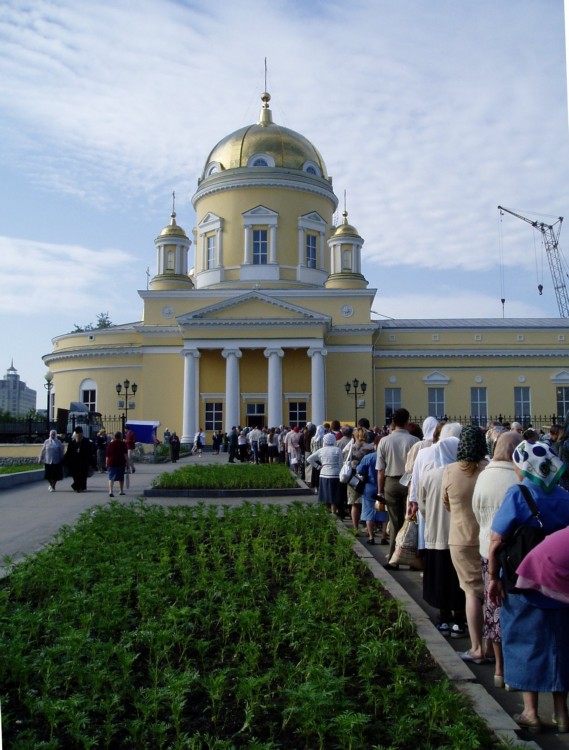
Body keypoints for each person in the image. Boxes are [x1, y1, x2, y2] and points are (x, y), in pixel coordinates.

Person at [488, 440, 569, 732]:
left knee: (524, 641)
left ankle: (531, 712)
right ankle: (562, 713)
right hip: (561, 585)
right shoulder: (565, 496)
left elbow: (497, 539)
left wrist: (493, 578)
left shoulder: (518, 493)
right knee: (560, 644)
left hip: (524, 581)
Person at [472, 430, 522, 687]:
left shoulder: (484, 476)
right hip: (516, 554)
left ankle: (499, 670)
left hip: (487, 550)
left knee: (492, 609)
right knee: (515, 612)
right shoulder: (518, 477)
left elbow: (477, 512)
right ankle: (514, 670)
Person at [442, 424, 488, 654]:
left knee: (470, 592)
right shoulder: (488, 469)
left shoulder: (450, 470)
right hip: (486, 537)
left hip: (460, 536)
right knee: (490, 592)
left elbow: (446, 503)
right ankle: (491, 645)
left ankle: (476, 646)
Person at [417, 430, 466, 637]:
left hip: (435, 534)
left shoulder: (430, 475)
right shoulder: (464, 474)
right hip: (459, 536)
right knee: (458, 580)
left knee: (439, 578)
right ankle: (459, 620)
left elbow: (423, 506)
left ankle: (443, 618)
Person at [376, 408, 419, 569]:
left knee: (394, 522)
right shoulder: (414, 441)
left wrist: (380, 490)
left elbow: (380, 469)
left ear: (393, 422)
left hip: (391, 482)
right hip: (408, 483)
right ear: (407, 421)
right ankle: (412, 558)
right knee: (411, 521)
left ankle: (393, 558)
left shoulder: (385, 441)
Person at [307, 432, 343, 514]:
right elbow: (341, 464)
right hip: (335, 475)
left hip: (324, 475)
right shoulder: (337, 450)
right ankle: (334, 513)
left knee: (325, 496)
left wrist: (318, 467)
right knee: (334, 496)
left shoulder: (321, 450)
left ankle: (327, 513)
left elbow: (309, 459)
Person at [357, 448, 384, 544]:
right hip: (384, 487)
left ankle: (371, 537)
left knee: (369, 513)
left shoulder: (368, 457)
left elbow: (359, 470)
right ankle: (383, 537)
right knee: (384, 512)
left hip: (369, 486)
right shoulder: (387, 456)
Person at [62, 426, 95, 493]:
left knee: (83, 476)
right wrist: (64, 460)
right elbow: (68, 453)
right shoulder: (72, 443)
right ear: (76, 434)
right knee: (76, 476)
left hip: (84, 462)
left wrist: (91, 462)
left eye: (80, 434)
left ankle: (79, 487)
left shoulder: (86, 441)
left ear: (82, 433)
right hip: (74, 463)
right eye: (77, 434)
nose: (79, 435)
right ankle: (77, 487)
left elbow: (90, 452)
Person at [106, 431, 128, 497]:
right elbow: (125, 455)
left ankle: (110, 491)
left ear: (114, 437)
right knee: (121, 478)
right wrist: (128, 463)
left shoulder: (110, 444)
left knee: (111, 477)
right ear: (120, 436)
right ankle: (121, 491)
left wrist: (106, 463)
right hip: (121, 462)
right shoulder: (123, 444)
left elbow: (107, 455)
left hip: (111, 462)